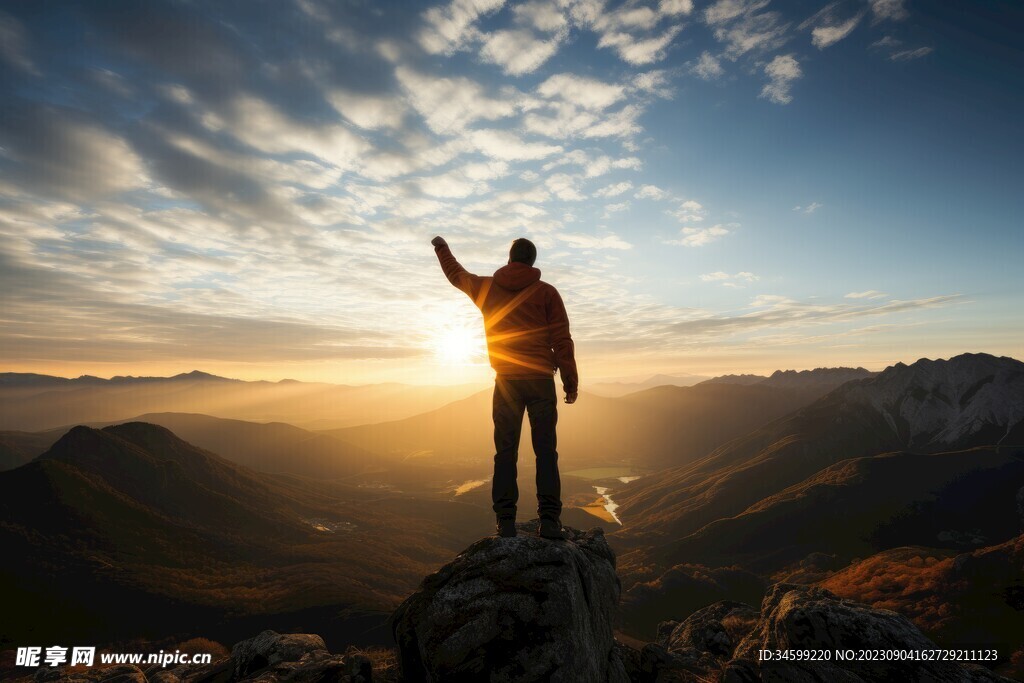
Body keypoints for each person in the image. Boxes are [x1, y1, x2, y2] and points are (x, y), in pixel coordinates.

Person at [431, 236, 578, 539]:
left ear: (510, 258)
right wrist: (570, 382)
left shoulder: (487, 288)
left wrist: (441, 248)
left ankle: (506, 522)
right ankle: (549, 522)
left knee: (505, 453)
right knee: (546, 453)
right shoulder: (546, 292)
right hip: (540, 382)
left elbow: (456, 275)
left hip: (507, 383)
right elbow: (562, 340)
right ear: (533, 262)